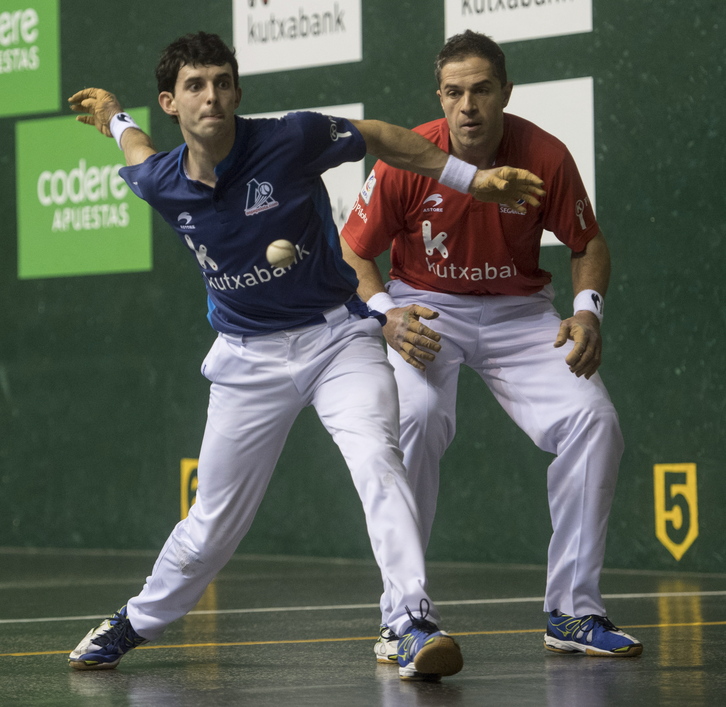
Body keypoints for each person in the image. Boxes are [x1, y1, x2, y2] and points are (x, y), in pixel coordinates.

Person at [65, 31, 545, 680]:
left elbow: (379, 136)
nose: (212, 95)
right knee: (212, 524)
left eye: (221, 82)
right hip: (246, 361)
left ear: (237, 91)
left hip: (336, 339)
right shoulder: (160, 181)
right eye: (195, 86)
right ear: (172, 103)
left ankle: (410, 619)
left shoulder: (290, 139)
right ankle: (135, 621)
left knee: (380, 456)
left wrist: (472, 179)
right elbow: (138, 148)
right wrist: (116, 116)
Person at [341, 30, 643, 660]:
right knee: (417, 417)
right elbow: (354, 250)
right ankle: (403, 616)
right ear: (440, 97)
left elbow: (588, 243)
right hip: (425, 308)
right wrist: (387, 315)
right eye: (454, 93)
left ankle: (572, 611)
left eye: (481, 91)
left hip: (520, 314)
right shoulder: (406, 160)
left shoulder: (545, 154)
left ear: (506, 93)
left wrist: (587, 313)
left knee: (594, 420)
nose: (468, 106)